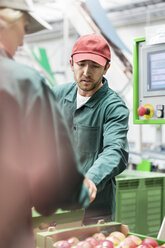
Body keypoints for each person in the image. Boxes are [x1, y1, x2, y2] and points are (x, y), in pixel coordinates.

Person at [0, 0, 90, 247]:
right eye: (25, 28)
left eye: (93, 66)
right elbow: (51, 189)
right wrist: (78, 191)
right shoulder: (24, 83)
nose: (21, 42)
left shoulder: (113, 104)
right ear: (9, 20)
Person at [53, 33, 129, 225]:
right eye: (81, 64)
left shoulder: (113, 107)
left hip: (94, 212)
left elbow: (115, 151)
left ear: (106, 68)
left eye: (95, 66)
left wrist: (91, 179)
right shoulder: (57, 95)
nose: (86, 72)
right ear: (71, 64)